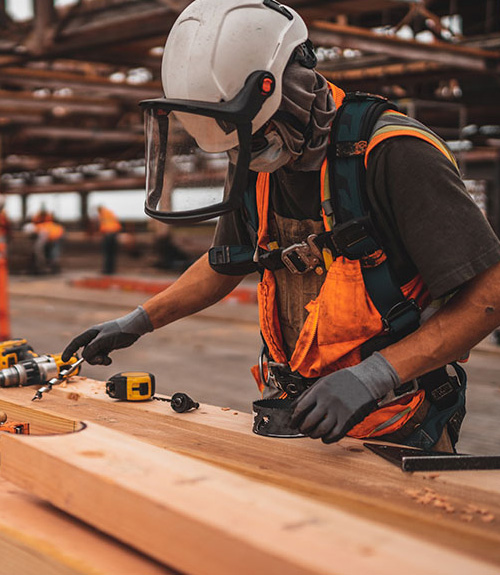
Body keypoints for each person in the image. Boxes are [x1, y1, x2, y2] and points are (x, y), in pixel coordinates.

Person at [63, 0, 500, 451]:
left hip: (397, 422)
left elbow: (489, 294)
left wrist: (373, 377)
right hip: (295, 415)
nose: (246, 156)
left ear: (293, 87)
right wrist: (137, 321)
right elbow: (224, 265)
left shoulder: (394, 153)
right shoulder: (257, 157)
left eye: (256, 136)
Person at [95, 205, 122, 275]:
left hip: (108, 234)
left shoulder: (102, 214)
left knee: (107, 253)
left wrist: (102, 233)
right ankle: (111, 269)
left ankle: (107, 270)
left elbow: (103, 224)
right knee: (112, 253)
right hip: (114, 232)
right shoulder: (109, 212)